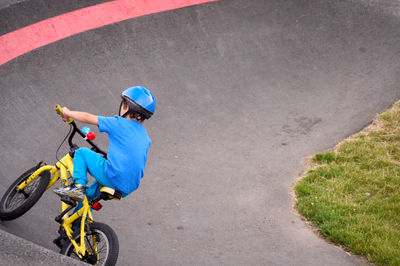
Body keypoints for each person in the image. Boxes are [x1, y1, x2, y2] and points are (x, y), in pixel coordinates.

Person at [54, 86, 156, 202]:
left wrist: (67, 112)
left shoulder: (118, 123)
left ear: (127, 107)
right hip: (129, 185)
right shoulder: (145, 137)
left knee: (81, 153)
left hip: (114, 176)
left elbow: (87, 117)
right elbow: (131, 156)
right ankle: (82, 219)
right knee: (90, 196)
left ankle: (78, 188)